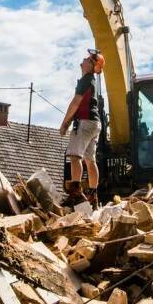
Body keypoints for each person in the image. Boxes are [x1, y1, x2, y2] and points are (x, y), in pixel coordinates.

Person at [60, 49, 105, 206]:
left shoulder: (86, 79)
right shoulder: (91, 81)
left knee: (74, 157)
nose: (84, 59)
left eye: (87, 58)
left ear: (92, 64)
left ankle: (76, 194)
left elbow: (75, 103)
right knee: (90, 160)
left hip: (85, 122)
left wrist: (65, 123)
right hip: (95, 123)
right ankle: (93, 195)